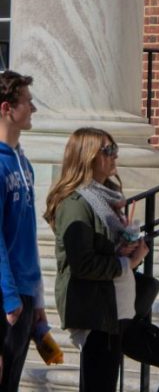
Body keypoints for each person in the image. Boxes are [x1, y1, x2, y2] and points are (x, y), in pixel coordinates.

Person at [44, 127, 159, 391]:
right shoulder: (76, 204)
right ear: (88, 156)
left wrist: (128, 247)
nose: (115, 156)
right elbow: (82, 264)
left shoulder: (108, 198)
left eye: (115, 150)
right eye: (108, 150)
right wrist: (127, 262)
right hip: (98, 314)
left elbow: (106, 249)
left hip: (120, 310)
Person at [0, 70, 46, 391]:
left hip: (25, 294)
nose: (34, 109)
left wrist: (38, 299)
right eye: (28, 102)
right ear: (6, 108)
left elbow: (28, 235)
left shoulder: (24, 163)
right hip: (6, 297)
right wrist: (9, 297)